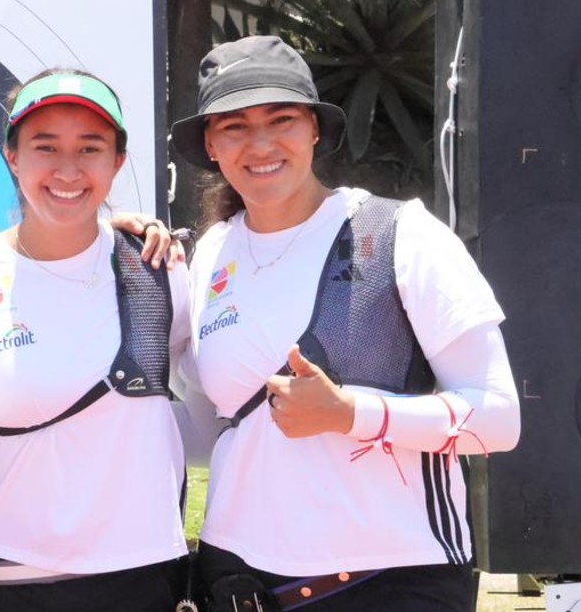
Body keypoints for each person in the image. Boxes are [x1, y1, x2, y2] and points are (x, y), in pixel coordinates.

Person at [168, 36, 521, 611]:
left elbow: (499, 420)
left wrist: (352, 414)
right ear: (210, 143)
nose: (260, 143)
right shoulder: (208, 254)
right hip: (238, 581)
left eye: (281, 118)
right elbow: (215, 434)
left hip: (390, 580)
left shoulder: (402, 234)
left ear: (314, 129)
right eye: (233, 125)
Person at [0, 69, 192, 612]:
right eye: (45, 146)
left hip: (141, 580)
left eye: (90, 148)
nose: (68, 169)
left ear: (118, 162)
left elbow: (216, 406)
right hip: (2, 584)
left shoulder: (158, 271)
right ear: (12, 157)